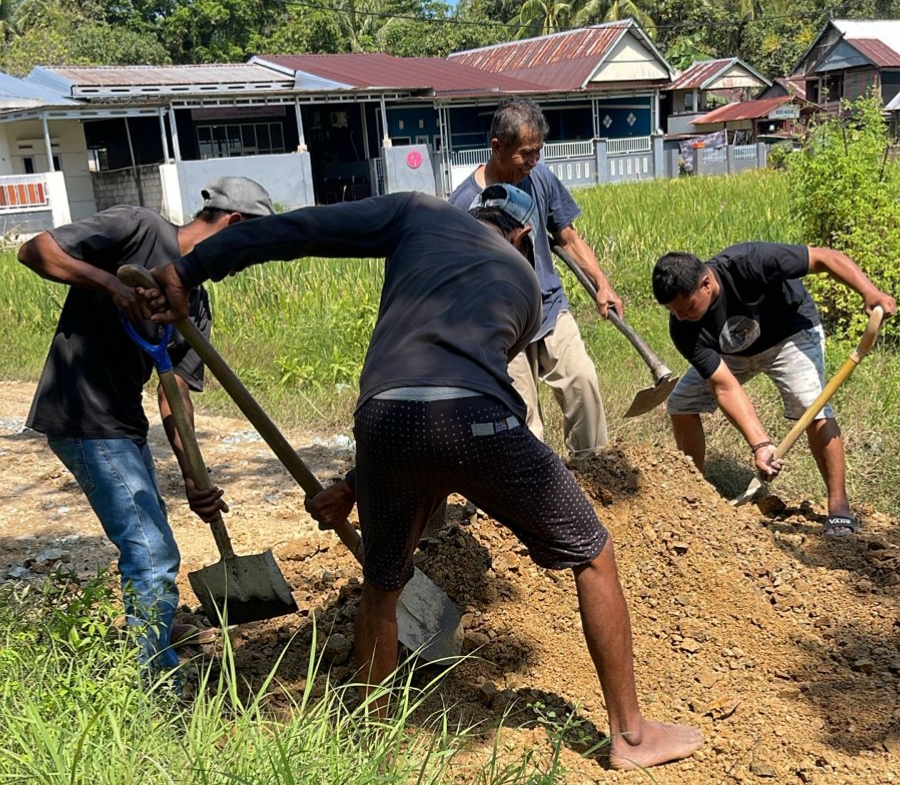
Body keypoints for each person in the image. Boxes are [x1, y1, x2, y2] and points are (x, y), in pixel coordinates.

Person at [140, 186, 703, 771]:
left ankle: (371, 751)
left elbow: (303, 230)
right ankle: (632, 736)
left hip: (387, 418)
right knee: (592, 553)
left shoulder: (418, 212)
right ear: (524, 237)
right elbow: (460, 406)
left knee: (382, 587)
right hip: (480, 421)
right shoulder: (527, 285)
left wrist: (191, 269)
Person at [18, 176, 275, 674]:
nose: (244, 263)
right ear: (233, 224)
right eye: (249, 247)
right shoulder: (138, 227)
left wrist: (193, 477)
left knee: (148, 535)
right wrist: (111, 283)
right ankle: (153, 680)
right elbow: (34, 251)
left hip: (123, 424)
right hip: (81, 414)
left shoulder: (193, 300)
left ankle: (155, 625)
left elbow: (174, 391)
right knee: (153, 552)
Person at [651, 244, 895, 536]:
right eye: (672, 311)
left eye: (687, 307)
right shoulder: (683, 327)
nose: (680, 317)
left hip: (789, 335)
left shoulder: (750, 263)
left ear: (706, 283)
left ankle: (839, 508)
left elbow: (824, 257)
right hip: (733, 353)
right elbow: (724, 386)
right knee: (681, 403)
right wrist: (761, 444)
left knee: (810, 406)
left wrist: (869, 292)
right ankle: (694, 493)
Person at [448, 97, 620, 458]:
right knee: (523, 417)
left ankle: (595, 473)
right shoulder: (463, 204)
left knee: (583, 382)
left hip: (549, 306)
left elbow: (568, 236)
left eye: (538, 152)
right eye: (525, 153)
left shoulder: (539, 177)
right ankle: (534, 492)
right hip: (500, 326)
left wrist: (601, 284)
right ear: (497, 147)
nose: (533, 162)